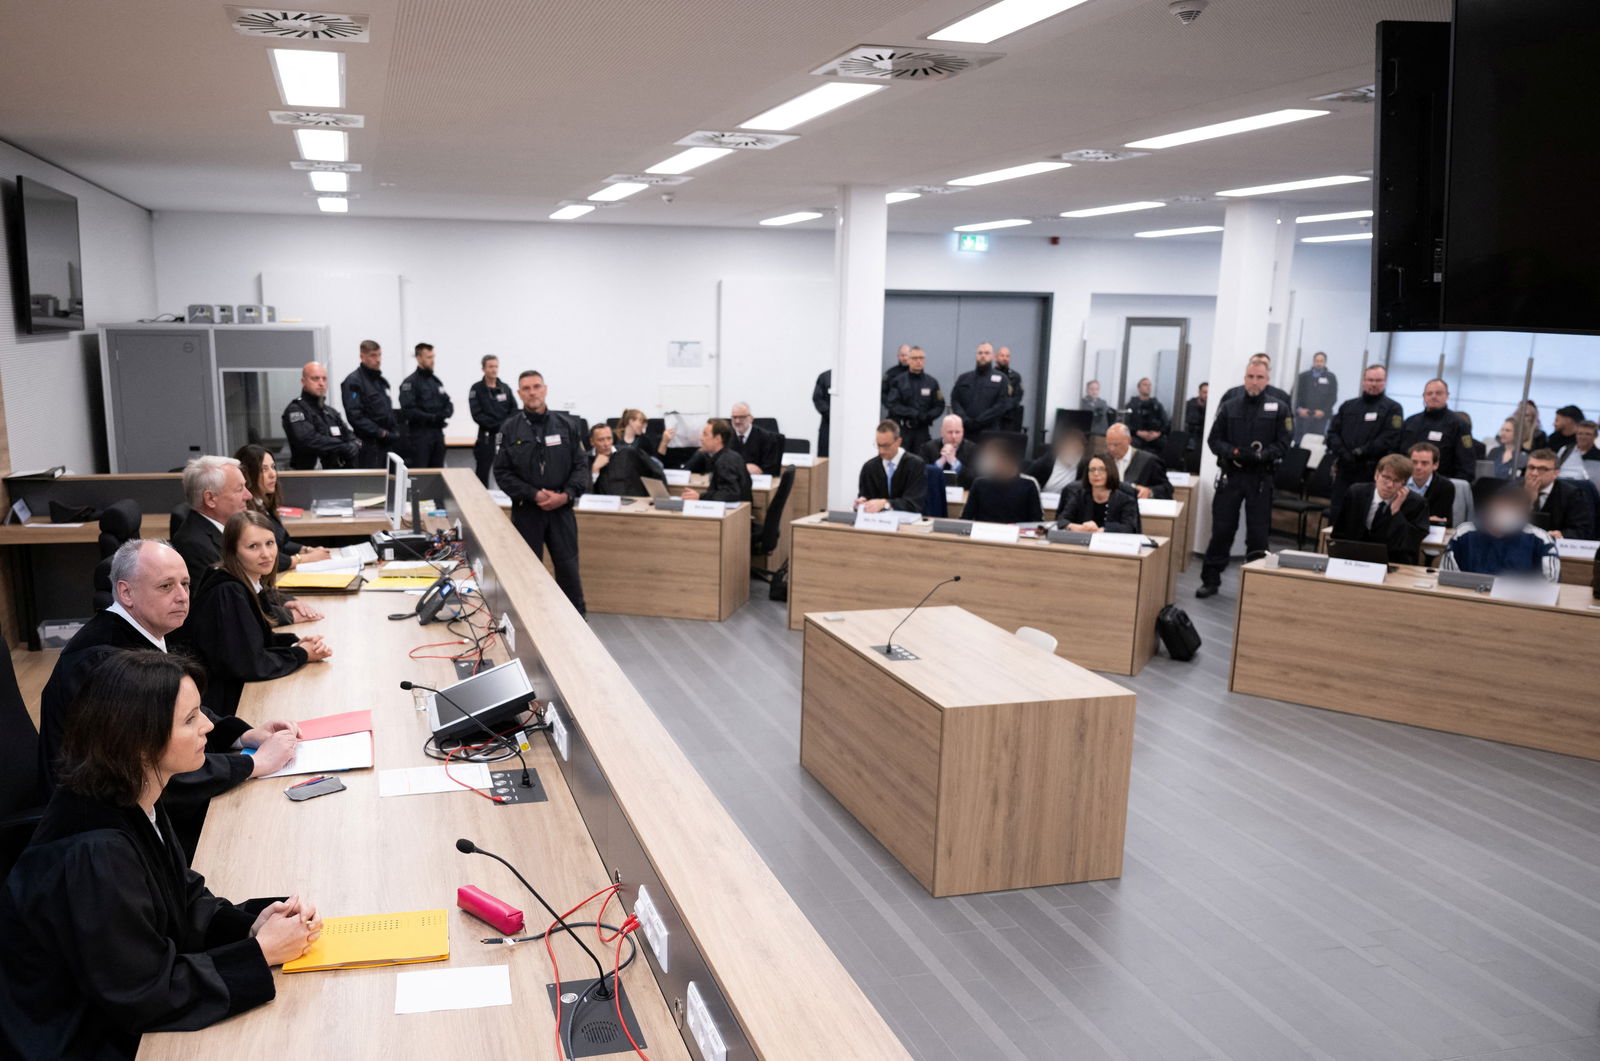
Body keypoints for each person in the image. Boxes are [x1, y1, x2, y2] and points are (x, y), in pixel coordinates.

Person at [0, 651, 319, 1060]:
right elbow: (141, 993)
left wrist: (249, 927)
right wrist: (259, 954)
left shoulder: (135, 792)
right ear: (139, 741)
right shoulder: (95, 854)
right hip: (77, 1038)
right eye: (190, 719)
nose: (208, 726)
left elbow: (181, 898)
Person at [36, 539, 300, 852]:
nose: (182, 596)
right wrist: (254, 764)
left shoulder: (144, 632)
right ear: (126, 593)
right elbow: (155, 767)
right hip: (109, 835)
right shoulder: (106, 664)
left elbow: (180, 709)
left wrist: (242, 735)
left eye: (185, 584)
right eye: (165, 586)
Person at [179, 511, 332, 716]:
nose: (266, 554)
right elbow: (249, 664)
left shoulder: (245, 582)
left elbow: (256, 639)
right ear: (233, 551)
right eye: (253, 546)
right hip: (221, 704)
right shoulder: (229, 592)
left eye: (270, 543)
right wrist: (302, 654)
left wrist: (297, 643)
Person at [495, 370, 590, 614]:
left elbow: (581, 467)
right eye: (526, 388)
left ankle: (576, 621)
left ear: (545, 389)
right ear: (519, 394)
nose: (532, 392)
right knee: (527, 571)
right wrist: (533, 494)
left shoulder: (567, 425)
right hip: (527, 511)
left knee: (568, 570)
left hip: (562, 510)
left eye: (536, 386)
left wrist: (566, 495)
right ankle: (529, 620)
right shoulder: (509, 429)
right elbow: (502, 473)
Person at [1197, 360, 1292, 598]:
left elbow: (1284, 443)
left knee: (1258, 535)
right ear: (1245, 378)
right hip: (1232, 476)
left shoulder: (1279, 408)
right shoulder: (1229, 406)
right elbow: (1214, 441)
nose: (1254, 382)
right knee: (1222, 530)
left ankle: (1255, 586)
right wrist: (1234, 452)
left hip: (1261, 479)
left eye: (1259, 377)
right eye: (1250, 377)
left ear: (1267, 380)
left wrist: (1262, 455)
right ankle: (1210, 579)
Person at [233, 443, 331, 579]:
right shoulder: (246, 512)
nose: (273, 474)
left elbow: (282, 542)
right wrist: (306, 558)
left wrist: (307, 550)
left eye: (273, 467)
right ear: (248, 474)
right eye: (264, 469)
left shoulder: (263, 504)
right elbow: (264, 557)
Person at [1325, 364, 1404, 515]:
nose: (1373, 384)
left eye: (1378, 380)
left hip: (1372, 472)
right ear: (1363, 381)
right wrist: (1344, 453)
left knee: (1363, 514)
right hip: (1345, 469)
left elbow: (1391, 436)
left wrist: (1362, 451)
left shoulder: (1393, 408)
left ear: (1385, 382)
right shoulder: (1348, 405)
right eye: (1370, 380)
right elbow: (1332, 433)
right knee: (1338, 512)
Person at [1442, 482, 1560, 581]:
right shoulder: (1464, 534)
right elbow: (1448, 576)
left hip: (1520, 599)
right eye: (1502, 506)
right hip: (1469, 597)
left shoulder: (1540, 539)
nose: (1506, 512)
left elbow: (1549, 582)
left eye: (1514, 508)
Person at [1327, 452, 1431, 563]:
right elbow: (1339, 532)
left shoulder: (1417, 504)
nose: (1390, 485)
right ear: (1376, 475)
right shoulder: (1356, 493)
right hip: (1353, 558)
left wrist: (1396, 512)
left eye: (1396, 481)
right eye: (1386, 477)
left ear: (1404, 483)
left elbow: (1409, 544)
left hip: (1393, 561)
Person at [171, 455, 253, 586]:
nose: (249, 495)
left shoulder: (230, 529)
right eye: (239, 489)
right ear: (210, 499)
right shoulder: (196, 547)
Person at [282, 361, 359, 470]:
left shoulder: (331, 412)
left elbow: (350, 436)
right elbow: (308, 440)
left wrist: (354, 445)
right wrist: (342, 447)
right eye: (315, 378)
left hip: (338, 473)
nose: (321, 383)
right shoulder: (296, 409)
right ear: (303, 381)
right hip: (309, 474)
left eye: (324, 379)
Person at [1399, 378, 1476, 480]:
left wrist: (1453, 485)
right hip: (1408, 480)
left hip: (1442, 482)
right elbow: (1398, 453)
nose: (1433, 396)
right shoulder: (1411, 421)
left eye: (1438, 393)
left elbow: (1466, 463)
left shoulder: (1459, 424)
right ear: (1424, 396)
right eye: (1429, 393)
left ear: (1447, 395)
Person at [341, 339, 399, 468]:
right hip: (370, 445)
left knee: (391, 478)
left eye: (379, 355)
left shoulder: (381, 382)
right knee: (374, 480)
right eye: (373, 355)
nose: (378, 359)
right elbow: (355, 416)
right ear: (362, 356)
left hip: (387, 443)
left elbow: (387, 411)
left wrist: (394, 431)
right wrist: (380, 433)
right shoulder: (354, 382)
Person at [397, 342, 453, 467]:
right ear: (418, 358)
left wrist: (446, 412)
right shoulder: (410, 383)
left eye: (433, 357)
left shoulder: (435, 381)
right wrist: (432, 417)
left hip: (437, 433)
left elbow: (447, 402)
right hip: (420, 435)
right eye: (429, 357)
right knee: (421, 472)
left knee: (438, 472)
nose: (432, 360)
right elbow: (408, 410)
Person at [855, 420, 927, 514]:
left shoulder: (915, 465)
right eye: (878, 445)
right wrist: (862, 503)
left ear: (898, 442)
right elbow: (866, 496)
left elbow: (914, 503)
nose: (881, 451)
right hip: (876, 520)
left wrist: (886, 504)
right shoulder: (869, 467)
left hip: (908, 520)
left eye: (886, 446)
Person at [882, 346, 944, 453]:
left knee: (921, 459)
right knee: (901, 459)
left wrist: (928, 416)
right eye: (915, 358)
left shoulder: (931, 382)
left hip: (922, 430)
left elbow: (939, 405)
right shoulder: (898, 381)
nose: (918, 361)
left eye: (921, 358)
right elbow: (893, 404)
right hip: (903, 431)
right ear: (909, 360)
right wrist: (912, 413)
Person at [964, 439, 1041, 524]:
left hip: (1016, 531)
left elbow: (1036, 522)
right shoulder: (979, 484)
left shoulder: (1029, 485)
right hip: (984, 531)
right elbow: (965, 519)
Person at [1524, 449, 1595, 540]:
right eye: (1531, 467)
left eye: (1542, 469)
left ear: (1556, 473)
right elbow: (1508, 524)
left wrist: (1562, 535)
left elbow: (1582, 529)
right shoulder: (1512, 489)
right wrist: (1527, 499)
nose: (1534, 473)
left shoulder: (1572, 495)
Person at [1057, 456, 1140, 533]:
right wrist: (1076, 527)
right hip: (1083, 541)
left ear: (1111, 471)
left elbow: (1129, 527)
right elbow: (1062, 520)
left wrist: (1103, 530)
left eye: (1102, 469)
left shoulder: (1125, 500)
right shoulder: (1080, 496)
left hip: (1113, 542)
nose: (1096, 473)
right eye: (1092, 469)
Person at [467, 355, 515, 486]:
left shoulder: (505, 388)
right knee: (483, 471)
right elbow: (477, 414)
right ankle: (481, 496)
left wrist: (505, 427)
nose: (494, 369)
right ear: (483, 369)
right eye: (490, 366)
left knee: (508, 470)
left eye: (496, 366)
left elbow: (514, 410)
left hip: (505, 436)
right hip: (487, 436)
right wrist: (497, 425)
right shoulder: (476, 389)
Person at [950, 342, 1013, 440]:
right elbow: (955, 400)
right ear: (976, 355)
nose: (983, 356)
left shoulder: (1002, 379)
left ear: (992, 356)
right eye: (980, 353)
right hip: (964, 430)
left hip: (989, 432)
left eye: (987, 353)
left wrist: (980, 421)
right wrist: (964, 419)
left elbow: (1002, 404)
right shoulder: (964, 378)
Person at [683, 418, 752, 503]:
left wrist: (700, 497)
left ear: (717, 439)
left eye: (705, 434)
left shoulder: (725, 462)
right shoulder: (732, 456)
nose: (701, 438)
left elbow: (730, 493)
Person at [589, 423, 664, 496]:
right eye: (601, 440)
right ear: (592, 442)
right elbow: (584, 490)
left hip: (632, 500)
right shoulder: (586, 460)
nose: (606, 444)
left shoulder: (629, 453)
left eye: (609, 438)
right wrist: (594, 469)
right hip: (602, 502)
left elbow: (655, 472)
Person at [1104, 423, 1173, 499]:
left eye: (1117, 445)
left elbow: (1167, 488)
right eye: (1108, 444)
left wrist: (1149, 492)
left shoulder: (1149, 461)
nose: (1112, 449)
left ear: (1129, 440)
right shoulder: (1102, 461)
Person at [1404, 441, 1456, 525]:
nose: (1418, 467)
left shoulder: (1445, 487)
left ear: (1435, 465)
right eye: (1414, 462)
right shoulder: (1399, 481)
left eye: (1424, 463)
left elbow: (1439, 521)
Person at [919, 414, 978, 487]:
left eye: (957, 432)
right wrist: (941, 461)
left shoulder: (973, 449)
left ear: (963, 432)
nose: (954, 436)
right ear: (942, 432)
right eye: (950, 432)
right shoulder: (927, 448)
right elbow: (921, 476)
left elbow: (975, 478)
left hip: (963, 491)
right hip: (935, 490)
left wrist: (954, 462)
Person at [1025, 429, 1088, 494]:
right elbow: (1025, 484)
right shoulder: (1044, 464)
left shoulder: (1082, 467)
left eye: (1078, 451)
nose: (1073, 454)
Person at [1293, 352, 1338, 443]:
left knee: (1317, 442)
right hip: (1303, 415)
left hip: (1322, 417)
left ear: (1325, 362)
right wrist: (1299, 409)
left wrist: (1323, 411)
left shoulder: (1331, 377)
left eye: (1321, 361)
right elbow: (1295, 394)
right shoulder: (1303, 376)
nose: (1319, 363)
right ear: (1313, 362)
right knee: (1299, 441)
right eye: (1317, 361)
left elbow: (1332, 397)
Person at [727, 402, 781, 476]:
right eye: (734, 417)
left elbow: (770, 467)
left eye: (741, 417)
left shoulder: (767, 438)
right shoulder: (726, 437)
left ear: (751, 419)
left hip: (758, 479)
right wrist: (743, 468)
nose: (737, 421)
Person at [1220, 354, 1292, 406]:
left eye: (1264, 364)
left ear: (1269, 370)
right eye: (1254, 363)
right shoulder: (1232, 394)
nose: (1258, 367)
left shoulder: (1281, 396)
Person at [1122, 377, 1169, 451]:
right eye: (1145, 385)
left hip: (1155, 437)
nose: (1148, 387)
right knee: (1131, 444)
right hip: (1137, 437)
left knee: (1167, 445)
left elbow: (1165, 422)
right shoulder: (1131, 405)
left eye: (1150, 385)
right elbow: (1125, 423)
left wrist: (1158, 433)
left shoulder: (1157, 405)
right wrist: (1137, 432)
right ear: (1139, 388)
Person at [995, 346, 1025, 432]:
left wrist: (1004, 407)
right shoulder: (990, 375)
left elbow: (1017, 397)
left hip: (1008, 418)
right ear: (996, 357)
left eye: (1007, 356)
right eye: (1002, 355)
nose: (1005, 358)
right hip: (992, 417)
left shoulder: (1015, 377)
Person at [1184, 382, 1208, 464]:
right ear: (1199, 392)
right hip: (1189, 437)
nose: (1207, 395)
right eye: (1204, 392)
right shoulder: (1189, 405)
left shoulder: (1210, 407)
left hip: (1202, 438)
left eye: (1208, 392)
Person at [812, 369, 831, 458]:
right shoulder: (825, 377)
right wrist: (832, 415)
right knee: (824, 458)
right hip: (827, 424)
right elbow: (817, 398)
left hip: (850, 426)